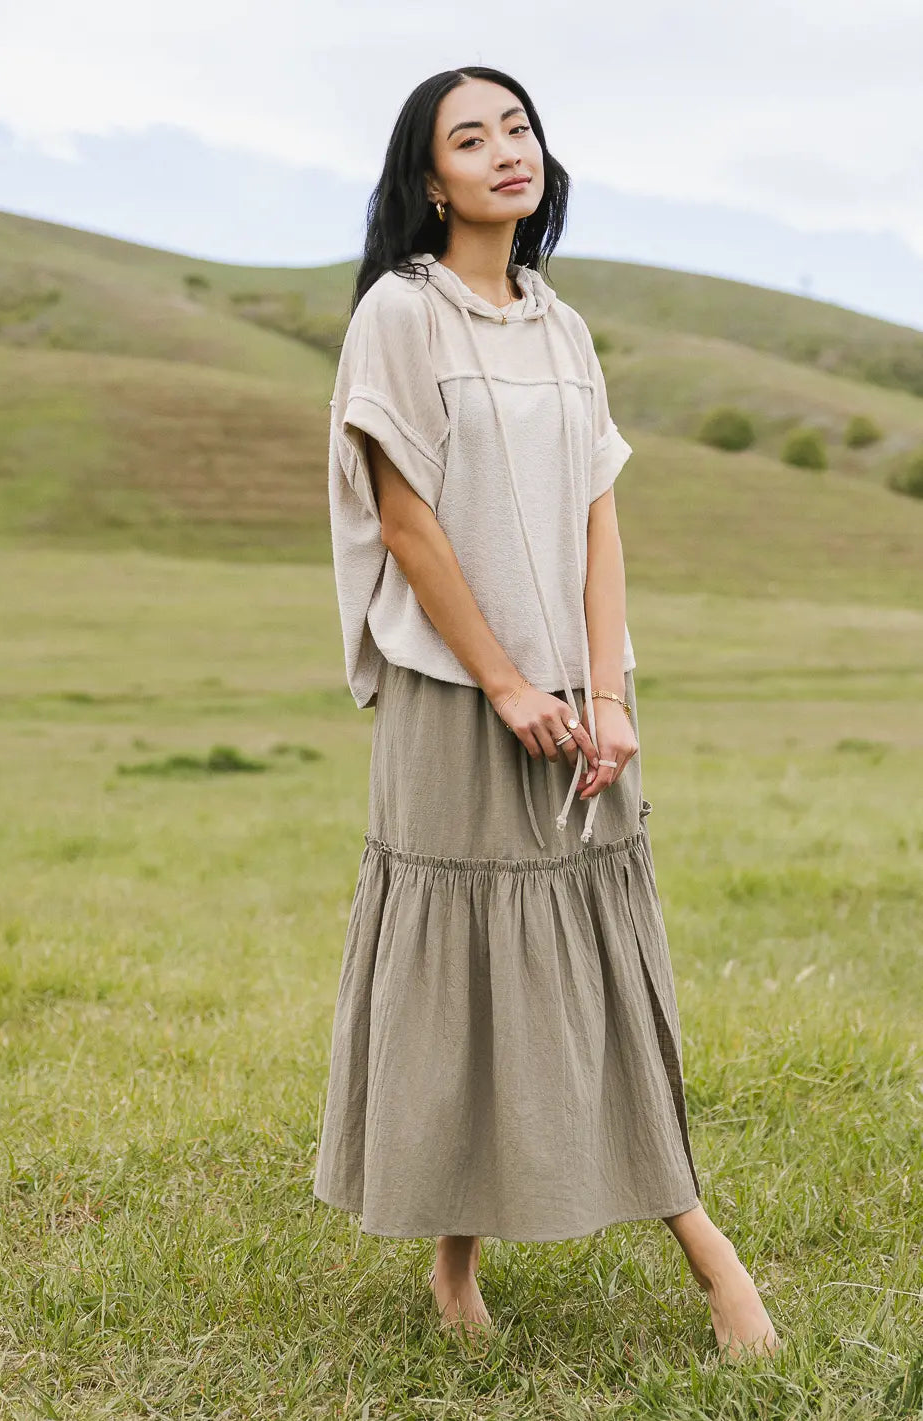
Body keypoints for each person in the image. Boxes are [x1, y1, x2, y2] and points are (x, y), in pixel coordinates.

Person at [313, 64, 779, 1361]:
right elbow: (405, 521)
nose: (505, 150)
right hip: (455, 699)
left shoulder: (562, 326)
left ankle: (667, 1247)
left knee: (600, 967)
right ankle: (505, 1261)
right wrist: (509, 683)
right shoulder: (401, 316)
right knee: (470, 973)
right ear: (429, 179)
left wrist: (605, 688)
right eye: (471, 138)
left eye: (516, 127)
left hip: (580, 701)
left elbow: (596, 516)